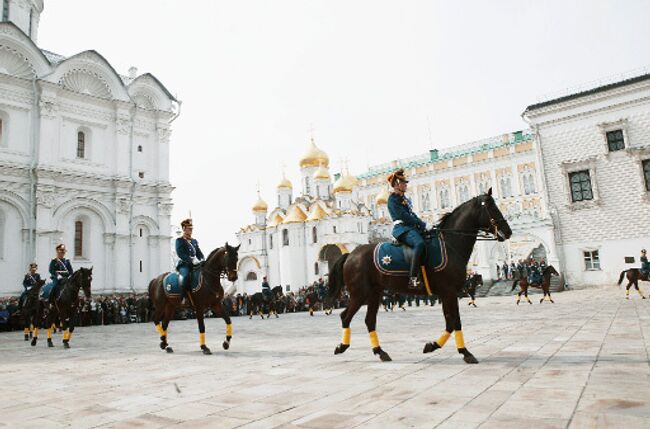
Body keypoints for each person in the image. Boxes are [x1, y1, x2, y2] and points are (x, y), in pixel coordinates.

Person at [386, 169, 432, 289]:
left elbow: (412, 215)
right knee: (419, 244)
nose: (406, 185)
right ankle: (413, 278)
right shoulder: (393, 199)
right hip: (401, 228)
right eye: (403, 183)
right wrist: (422, 225)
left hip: (410, 227)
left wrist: (425, 224)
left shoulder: (403, 199)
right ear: (396, 184)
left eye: (405, 183)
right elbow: (403, 216)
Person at [175, 219, 205, 294]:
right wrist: (191, 260)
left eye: (191, 229)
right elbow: (180, 253)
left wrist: (202, 259)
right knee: (185, 276)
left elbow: (199, 253)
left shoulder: (194, 241)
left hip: (196, 264)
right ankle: (184, 297)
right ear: (184, 229)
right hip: (185, 265)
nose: (191, 230)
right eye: (189, 229)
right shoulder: (180, 240)